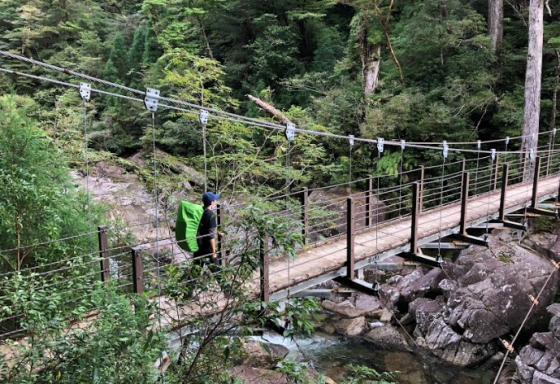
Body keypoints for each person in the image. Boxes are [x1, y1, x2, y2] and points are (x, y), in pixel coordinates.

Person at [193, 191, 222, 274]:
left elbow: (203, 227)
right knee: (218, 273)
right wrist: (213, 252)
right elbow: (210, 236)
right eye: (215, 200)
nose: (216, 202)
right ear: (212, 202)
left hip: (198, 246)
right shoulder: (211, 215)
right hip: (207, 249)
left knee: (194, 274)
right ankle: (227, 288)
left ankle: (188, 286)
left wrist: (216, 232)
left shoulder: (199, 212)